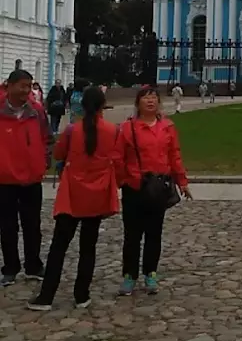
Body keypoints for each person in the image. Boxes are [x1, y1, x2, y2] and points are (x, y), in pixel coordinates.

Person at [28, 87, 120, 311]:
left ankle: (46, 296)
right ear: (102, 106)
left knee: (59, 246)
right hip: (97, 193)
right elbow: (116, 157)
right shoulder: (113, 130)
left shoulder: (72, 130)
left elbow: (59, 154)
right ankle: (82, 294)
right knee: (88, 247)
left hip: (73, 192)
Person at [116, 86, 190, 295]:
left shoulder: (167, 126)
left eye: (154, 98)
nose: (150, 101)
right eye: (146, 98)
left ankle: (151, 273)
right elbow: (117, 157)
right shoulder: (127, 128)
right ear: (138, 103)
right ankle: (129, 275)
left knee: (154, 233)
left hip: (158, 187)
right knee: (132, 235)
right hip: (135, 186)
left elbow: (174, 155)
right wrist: (122, 180)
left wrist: (182, 181)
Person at [0, 69, 51, 287]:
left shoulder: (37, 112)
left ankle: (33, 265)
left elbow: (47, 139)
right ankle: (10, 267)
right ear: (9, 86)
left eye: (29, 86)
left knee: (32, 224)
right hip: (5, 179)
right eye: (22, 85)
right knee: (7, 226)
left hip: (32, 178)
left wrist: (44, 161)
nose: (26, 91)